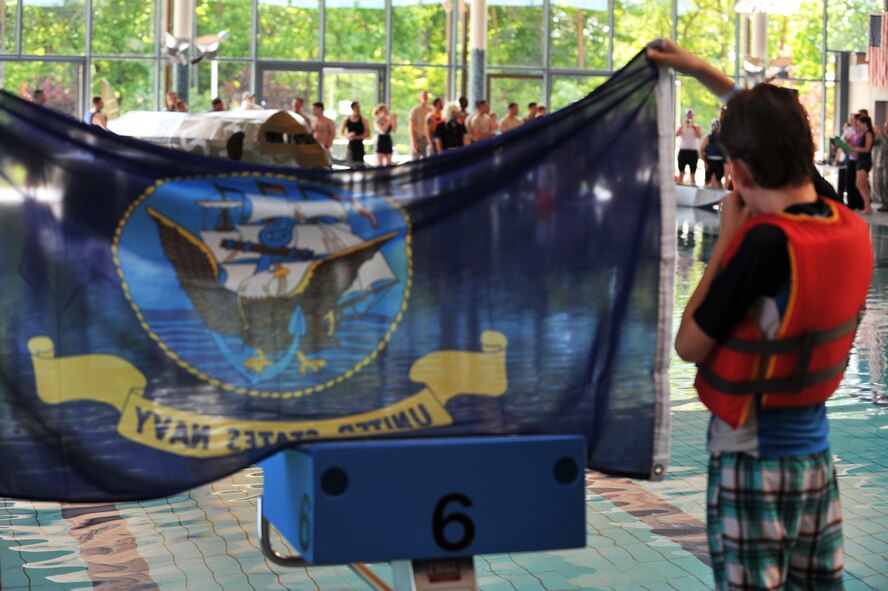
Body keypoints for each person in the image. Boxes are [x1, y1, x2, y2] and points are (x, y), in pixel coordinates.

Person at [650, 38, 872, 591]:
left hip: (752, 465)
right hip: (815, 462)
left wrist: (725, 241)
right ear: (806, 149)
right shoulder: (840, 220)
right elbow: (776, 130)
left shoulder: (763, 245)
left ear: (739, 174)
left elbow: (689, 346)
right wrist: (703, 69)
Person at [850, 114, 875, 215]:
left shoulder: (868, 134)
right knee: (862, 185)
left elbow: (867, 149)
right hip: (860, 161)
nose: (858, 126)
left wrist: (855, 149)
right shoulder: (864, 133)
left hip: (865, 161)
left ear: (865, 124)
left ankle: (868, 207)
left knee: (860, 184)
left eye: (860, 124)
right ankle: (867, 207)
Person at [676, 107, 702, 184]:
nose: (690, 117)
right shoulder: (682, 126)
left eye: (691, 116)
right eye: (688, 116)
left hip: (693, 152)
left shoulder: (696, 126)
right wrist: (684, 124)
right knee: (681, 173)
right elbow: (677, 134)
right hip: (683, 151)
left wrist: (693, 126)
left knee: (693, 174)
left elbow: (699, 136)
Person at [340, 101, 370, 167]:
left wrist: (356, 137)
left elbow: (367, 134)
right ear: (353, 108)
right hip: (351, 145)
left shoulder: (363, 120)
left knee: (359, 165)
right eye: (357, 107)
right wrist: (348, 136)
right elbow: (341, 133)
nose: (358, 109)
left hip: (360, 145)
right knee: (350, 164)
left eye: (359, 107)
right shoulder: (346, 120)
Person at [699, 119, 725, 188]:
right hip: (710, 161)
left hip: (720, 161)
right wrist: (705, 162)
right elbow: (702, 149)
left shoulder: (722, 138)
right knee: (707, 180)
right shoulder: (708, 137)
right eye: (715, 126)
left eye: (717, 126)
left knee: (719, 180)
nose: (716, 128)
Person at [408, 90, 432, 160]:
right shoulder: (415, 110)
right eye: (423, 96)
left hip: (428, 140)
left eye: (426, 96)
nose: (424, 97)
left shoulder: (431, 110)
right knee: (415, 161)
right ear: (420, 97)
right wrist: (414, 142)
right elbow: (411, 127)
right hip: (418, 139)